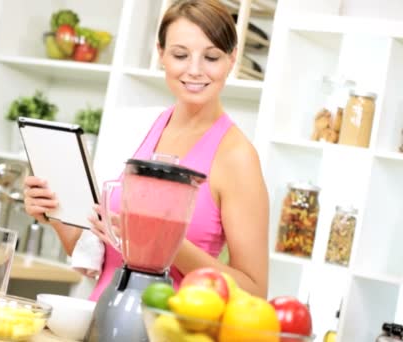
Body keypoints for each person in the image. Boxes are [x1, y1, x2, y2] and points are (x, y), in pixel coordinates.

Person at [23, 0, 269, 300]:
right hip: (100, 317)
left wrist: (167, 241)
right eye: (180, 55)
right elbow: (100, 255)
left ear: (232, 59)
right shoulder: (140, 129)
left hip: (170, 327)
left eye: (212, 57)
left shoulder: (237, 157)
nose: (194, 70)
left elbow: (254, 293)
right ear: (161, 53)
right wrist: (56, 214)